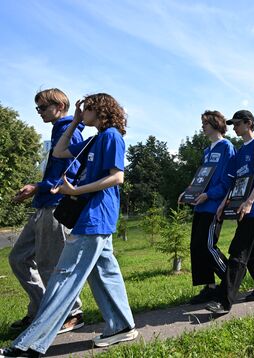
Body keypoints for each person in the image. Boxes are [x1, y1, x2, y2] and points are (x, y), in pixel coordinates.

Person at [0, 93, 138, 358]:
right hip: (93, 215)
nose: (82, 112)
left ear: (100, 110)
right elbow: (60, 151)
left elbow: (117, 177)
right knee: (105, 274)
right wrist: (75, 122)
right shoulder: (94, 139)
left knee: (64, 277)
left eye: (85, 109)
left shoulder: (111, 136)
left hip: (96, 215)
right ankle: (122, 326)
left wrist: (76, 191)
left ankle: (28, 345)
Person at [9, 88, 84, 335]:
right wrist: (36, 188)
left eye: (42, 108)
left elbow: (70, 176)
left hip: (56, 205)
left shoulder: (68, 131)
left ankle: (72, 312)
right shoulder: (57, 131)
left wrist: (37, 186)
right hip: (42, 204)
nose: (39, 112)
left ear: (59, 107)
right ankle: (43, 308)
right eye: (37, 108)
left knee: (52, 263)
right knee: (19, 258)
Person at [205, 110, 254, 314]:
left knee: (238, 252)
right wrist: (222, 204)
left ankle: (224, 301)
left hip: (252, 207)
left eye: (236, 123)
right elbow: (235, 181)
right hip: (239, 207)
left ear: (248, 123)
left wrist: (250, 202)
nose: (233, 127)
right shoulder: (238, 151)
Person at [178, 111, 235, 304]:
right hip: (200, 206)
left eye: (205, 123)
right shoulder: (207, 151)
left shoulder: (227, 147)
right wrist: (189, 192)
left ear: (215, 124)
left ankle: (231, 280)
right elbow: (202, 178)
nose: (202, 126)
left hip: (213, 205)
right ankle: (209, 288)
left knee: (208, 246)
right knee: (196, 246)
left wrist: (209, 195)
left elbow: (228, 180)